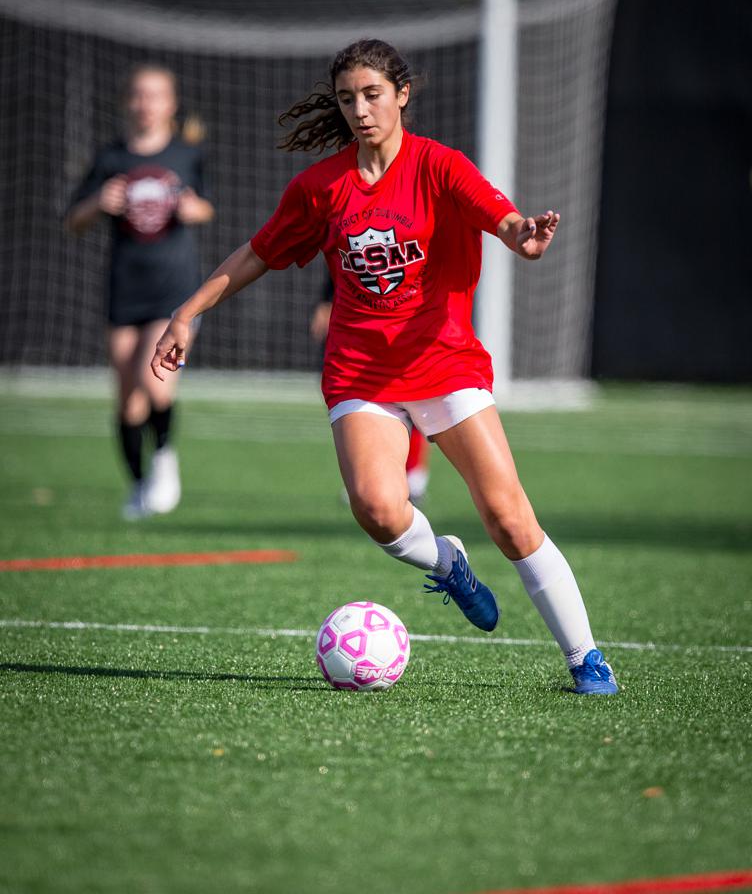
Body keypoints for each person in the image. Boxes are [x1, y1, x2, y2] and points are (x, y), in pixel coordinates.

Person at [151, 38, 617, 695]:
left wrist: (524, 237)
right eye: (347, 98)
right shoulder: (321, 186)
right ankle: (449, 565)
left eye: (372, 94)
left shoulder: (439, 166)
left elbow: (502, 217)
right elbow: (256, 253)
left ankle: (585, 658)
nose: (360, 109)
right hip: (360, 371)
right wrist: (187, 312)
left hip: (445, 363)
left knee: (511, 520)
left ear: (401, 94)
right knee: (376, 507)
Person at [67, 64, 215, 520]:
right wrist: (97, 203)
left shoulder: (186, 154)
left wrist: (193, 209)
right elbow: (73, 220)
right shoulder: (111, 159)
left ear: (170, 104)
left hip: (174, 287)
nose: (146, 104)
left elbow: (206, 208)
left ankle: (166, 460)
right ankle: (138, 485)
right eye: (138, 95)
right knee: (128, 394)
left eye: (155, 96)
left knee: (156, 379)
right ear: (127, 102)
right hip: (125, 286)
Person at [310, 274, 430, 505]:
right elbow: (344, 257)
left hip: (406, 325)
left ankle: (413, 476)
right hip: (359, 328)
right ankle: (371, 479)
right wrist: (326, 301)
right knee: (362, 406)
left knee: (411, 402)